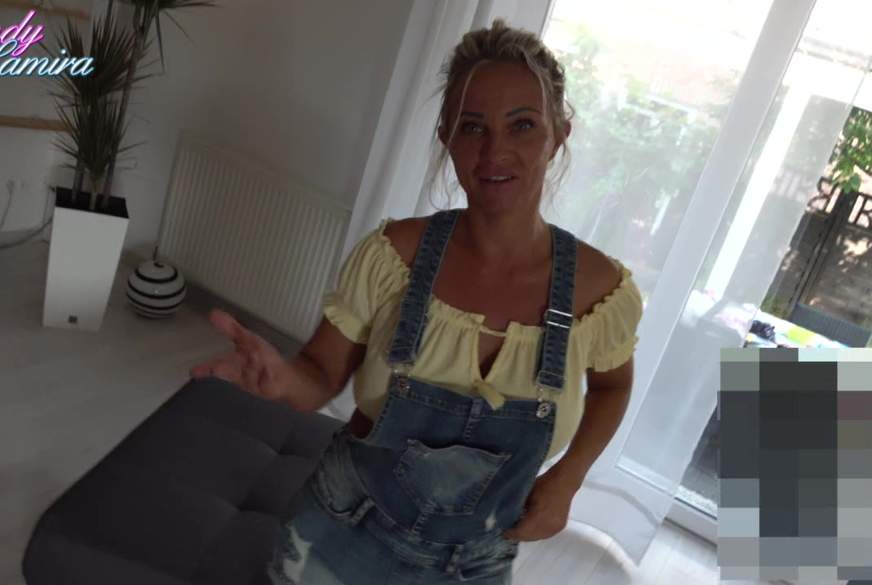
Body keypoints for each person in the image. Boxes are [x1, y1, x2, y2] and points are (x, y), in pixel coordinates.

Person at [191, 19, 643, 585]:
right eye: (472, 127)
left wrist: (569, 478)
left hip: (477, 561)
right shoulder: (392, 258)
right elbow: (320, 376)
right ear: (447, 138)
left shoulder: (601, 293)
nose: (495, 150)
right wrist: (282, 380)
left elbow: (612, 386)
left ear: (558, 135)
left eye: (523, 125)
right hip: (339, 532)